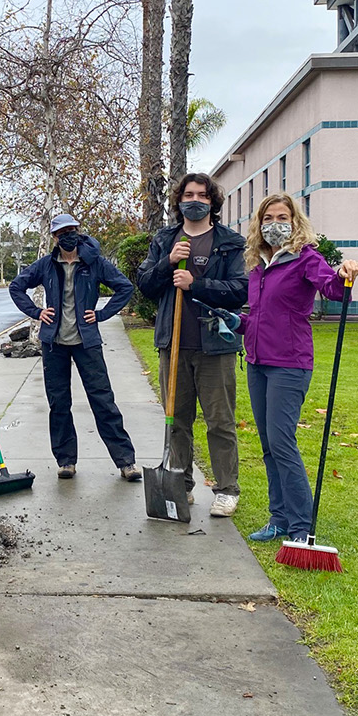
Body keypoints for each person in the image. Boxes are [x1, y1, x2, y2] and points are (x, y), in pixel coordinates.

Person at [234, 194, 358, 544]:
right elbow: (261, 317)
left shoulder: (305, 258)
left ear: (294, 221)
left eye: (282, 217)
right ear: (259, 224)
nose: (275, 224)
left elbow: (333, 289)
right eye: (268, 218)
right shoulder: (259, 265)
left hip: (289, 364)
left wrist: (345, 273)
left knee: (281, 442)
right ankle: (279, 518)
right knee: (268, 444)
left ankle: (301, 525)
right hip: (257, 364)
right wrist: (237, 322)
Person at [137, 173, 249, 517]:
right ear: (179, 201)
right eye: (189, 195)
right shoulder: (165, 240)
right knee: (177, 420)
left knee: (220, 421)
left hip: (215, 345)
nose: (195, 200)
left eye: (202, 195)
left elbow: (240, 290)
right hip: (173, 345)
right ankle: (181, 484)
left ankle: (227, 489)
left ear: (212, 202)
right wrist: (167, 262)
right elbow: (145, 285)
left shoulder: (229, 242)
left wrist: (195, 284)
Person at [9, 213, 141, 481]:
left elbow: (124, 287)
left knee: (103, 400)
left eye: (71, 231)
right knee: (59, 403)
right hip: (54, 344)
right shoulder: (46, 265)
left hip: (87, 342)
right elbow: (16, 287)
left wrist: (101, 314)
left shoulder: (94, 262)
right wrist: (36, 312)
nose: (67, 236)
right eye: (62, 233)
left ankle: (126, 461)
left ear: (79, 232)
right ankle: (66, 460)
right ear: (54, 238)